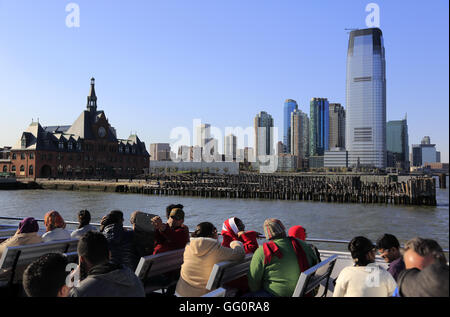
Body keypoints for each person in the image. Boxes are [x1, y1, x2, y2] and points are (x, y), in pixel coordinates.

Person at [247, 218, 319, 297]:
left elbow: (253, 281)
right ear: (283, 229)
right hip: (305, 291)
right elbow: (315, 263)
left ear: (267, 235)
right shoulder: (303, 244)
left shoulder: (263, 250)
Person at [175, 222, 245, 297]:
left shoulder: (188, 247)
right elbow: (240, 254)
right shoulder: (216, 249)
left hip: (180, 292)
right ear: (214, 232)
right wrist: (235, 243)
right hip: (203, 295)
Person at [69, 231, 145, 297]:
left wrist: (70, 287)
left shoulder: (80, 292)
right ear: (109, 255)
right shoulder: (134, 279)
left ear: (82, 260)